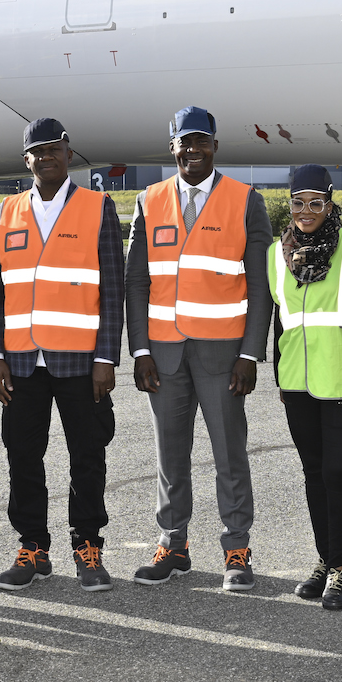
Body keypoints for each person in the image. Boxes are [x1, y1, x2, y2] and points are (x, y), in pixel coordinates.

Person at [126, 105, 273, 590]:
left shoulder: (244, 199)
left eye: (201, 141)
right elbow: (137, 283)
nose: (193, 150)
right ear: (172, 147)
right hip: (164, 355)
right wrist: (140, 350)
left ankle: (237, 549)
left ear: (215, 145)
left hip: (223, 356)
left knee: (230, 454)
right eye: (184, 142)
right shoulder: (149, 200)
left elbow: (259, 284)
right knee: (170, 455)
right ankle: (174, 544)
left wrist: (250, 354)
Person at [0, 118, 125, 592]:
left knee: (87, 454)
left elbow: (112, 290)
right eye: (36, 151)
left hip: (80, 361)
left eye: (54, 149)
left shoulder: (97, 206)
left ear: (68, 153)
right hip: (21, 361)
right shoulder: (7, 211)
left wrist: (106, 359)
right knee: (22, 454)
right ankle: (32, 547)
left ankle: (88, 546)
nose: (46, 157)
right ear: (26, 159)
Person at [268, 164, 342, 611]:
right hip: (297, 382)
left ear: (331, 205)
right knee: (314, 474)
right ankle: (324, 559)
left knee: (339, 473)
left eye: (317, 202)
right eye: (298, 202)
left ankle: (340, 568)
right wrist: (276, 374)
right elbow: (280, 320)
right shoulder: (279, 253)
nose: (307, 211)